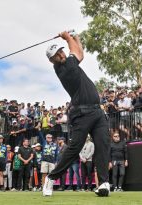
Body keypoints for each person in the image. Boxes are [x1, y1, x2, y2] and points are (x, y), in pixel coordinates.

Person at [43, 31, 110, 197]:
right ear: (52, 60)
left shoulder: (70, 62)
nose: (61, 54)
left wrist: (76, 37)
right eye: (56, 55)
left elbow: (80, 54)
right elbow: (76, 52)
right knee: (75, 148)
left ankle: (103, 183)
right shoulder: (64, 69)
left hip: (97, 111)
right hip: (82, 114)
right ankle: (51, 178)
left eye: (61, 50)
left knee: (102, 145)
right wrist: (67, 37)